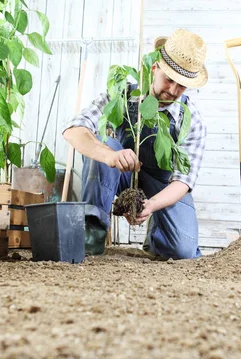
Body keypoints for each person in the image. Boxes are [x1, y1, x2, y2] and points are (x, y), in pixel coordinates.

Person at [63, 29, 208, 259]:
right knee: (103, 142)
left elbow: (182, 182)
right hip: (120, 171)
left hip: (162, 185)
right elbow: (74, 130)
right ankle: (93, 230)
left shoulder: (191, 120)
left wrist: (151, 205)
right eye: (169, 80)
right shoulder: (123, 95)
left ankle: (157, 234)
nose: (172, 90)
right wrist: (108, 155)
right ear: (154, 69)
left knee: (182, 250)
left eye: (181, 86)